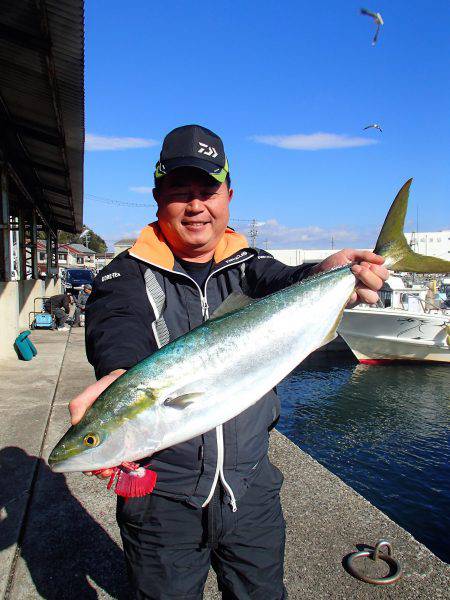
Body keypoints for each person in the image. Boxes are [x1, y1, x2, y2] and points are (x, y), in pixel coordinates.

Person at [70, 125, 388, 599]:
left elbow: (289, 282)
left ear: (228, 197)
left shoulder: (249, 263)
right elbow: (116, 323)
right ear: (157, 198)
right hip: (164, 503)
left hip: (252, 491)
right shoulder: (124, 273)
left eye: (207, 191)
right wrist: (120, 375)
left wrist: (328, 274)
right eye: (181, 192)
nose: (196, 205)